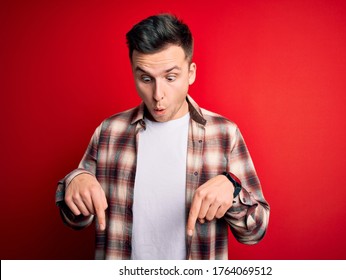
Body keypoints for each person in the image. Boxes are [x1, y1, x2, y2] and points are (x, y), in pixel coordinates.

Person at [55, 13, 270, 260]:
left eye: (170, 78)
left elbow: (255, 231)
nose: (158, 95)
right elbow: (75, 220)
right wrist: (74, 181)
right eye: (146, 79)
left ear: (190, 73)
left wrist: (233, 190)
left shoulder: (224, 133)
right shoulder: (109, 131)